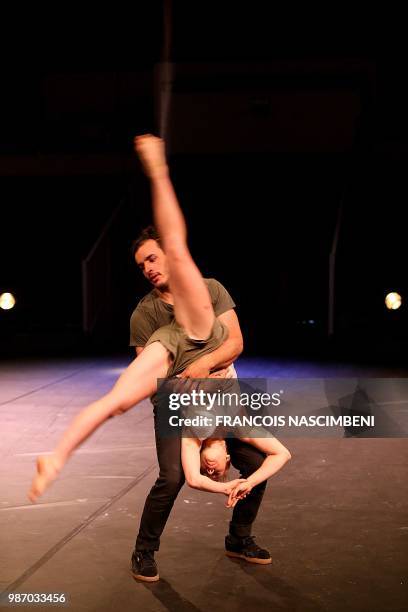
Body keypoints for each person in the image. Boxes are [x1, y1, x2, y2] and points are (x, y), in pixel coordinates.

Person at [28, 135, 291, 583]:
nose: (149, 268)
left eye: (152, 259)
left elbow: (236, 345)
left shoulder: (207, 289)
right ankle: (141, 548)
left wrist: (204, 372)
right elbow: (154, 379)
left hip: (210, 382)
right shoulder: (147, 314)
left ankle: (238, 537)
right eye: (142, 265)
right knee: (160, 462)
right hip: (179, 397)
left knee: (255, 470)